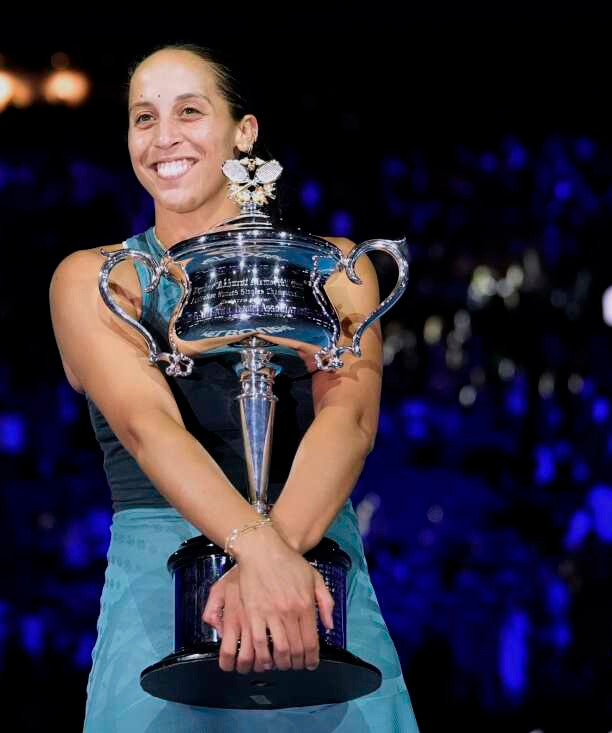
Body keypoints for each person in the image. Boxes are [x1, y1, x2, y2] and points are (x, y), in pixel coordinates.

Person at [49, 43, 419, 732]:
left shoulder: (334, 265)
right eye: (143, 118)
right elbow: (146, 427)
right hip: (159, 585)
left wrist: (274, 562)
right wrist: (263, 553)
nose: (164, 138)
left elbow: (350, 421)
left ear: (243, 132)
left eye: (190, 112)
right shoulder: (98, 279)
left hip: (318, 574)